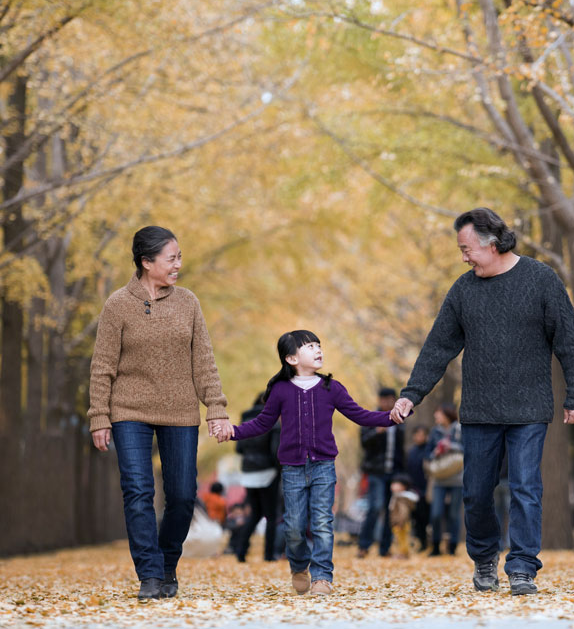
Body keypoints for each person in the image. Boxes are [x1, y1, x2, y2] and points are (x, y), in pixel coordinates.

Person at [392, 208, 574, 596]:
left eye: (467, 249)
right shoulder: (464, 290)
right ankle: (484, 559)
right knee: (476, 492)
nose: (463, 256)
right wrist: (410, 395)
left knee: (525, 487)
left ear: (492, 244)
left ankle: (521, 567)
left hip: (529, 408)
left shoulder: (541, 280)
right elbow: (438, 347)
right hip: (480, 410)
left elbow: (569, 339)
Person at [88, 226, 232, 601]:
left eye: (179, 257)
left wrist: (216, 407)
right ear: (146, 262)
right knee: (137, 491)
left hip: (181, 410)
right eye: (172, 259)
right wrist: (99, 416)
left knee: (183, 495)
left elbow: (204, 361)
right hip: (128, 410)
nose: (178, 265)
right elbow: (103, 365)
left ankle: (168, 563)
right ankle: (150, 575)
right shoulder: (118, 304)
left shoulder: (188, 302)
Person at [215, 330, 408, 596]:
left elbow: (360, 415)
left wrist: (391, 418)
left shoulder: (332, 388)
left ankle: (322, 577)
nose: (318, 349)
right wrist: (233, 432)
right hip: (292, 468)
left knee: (321, 522)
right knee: (293, 526)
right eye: (309, 346)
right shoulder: (281, 390)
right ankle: (298, 565)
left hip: (324, 466)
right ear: (292, 358)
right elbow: (262, 423)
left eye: (319, 345)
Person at [233, 392, 282, 562]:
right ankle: (268, 555)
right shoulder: (273, 420)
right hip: (268, 472)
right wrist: (281, 469)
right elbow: (276, 451)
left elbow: (238, 449)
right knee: (270, 515)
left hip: (248, 473)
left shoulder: (245, 419)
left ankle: (241, 550)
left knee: (254, 514)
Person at [357, 387, 405, 558]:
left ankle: (385, 548)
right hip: (375, 472)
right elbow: (363, 442)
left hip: (393, 473)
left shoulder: (399, 421)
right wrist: (377, 432)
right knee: (375, 507)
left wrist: (400, 477)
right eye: (383, 399)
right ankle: (363, 546)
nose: (386, 403)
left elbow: (401, 452)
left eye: (390, 399)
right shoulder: (371, 418)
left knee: (389, 510)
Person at [426, 405, 463, 557]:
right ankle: (435, 545)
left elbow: (468, 449)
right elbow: (427, 454)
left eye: (439, 414)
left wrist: (451, 446)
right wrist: (435, 452)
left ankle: (453, 546)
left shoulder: (460, 430)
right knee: (436, 513)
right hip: (439, 477)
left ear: (447, 415)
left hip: (457, 477)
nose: (436, 417)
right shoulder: (435, 431)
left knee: (454, 514)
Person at [406, 425, 431, 552]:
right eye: (417, 434)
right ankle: (422, 542)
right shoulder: (411, 451)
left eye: (422, 434)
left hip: (427, 489)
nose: (420, 437)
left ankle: (431, 542)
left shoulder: (429, 450)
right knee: (417, 518)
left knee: (427, 517)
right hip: (413, 490)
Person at [388, 474, 419, 559]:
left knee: (403, 539)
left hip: (402, 523)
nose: (393, 486)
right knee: (399, 539)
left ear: (403, 486)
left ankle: (404, 553)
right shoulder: (396, 496)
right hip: (397, 522)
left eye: (396, 484)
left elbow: (403, 512)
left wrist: (400, 522)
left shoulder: (402, 498)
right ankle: (402, 552)